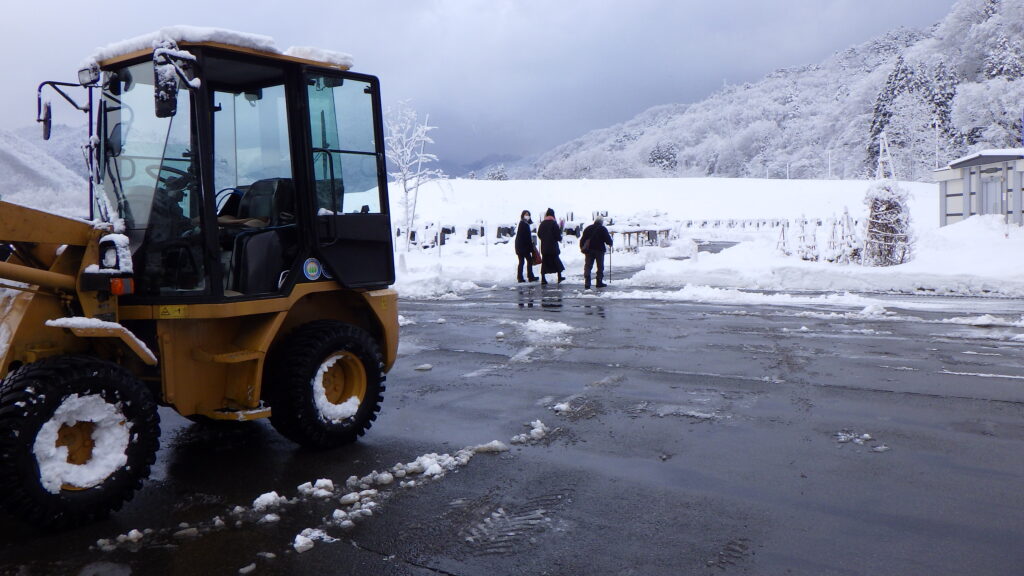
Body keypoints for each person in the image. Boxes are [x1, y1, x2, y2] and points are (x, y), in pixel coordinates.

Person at [579, 216, 613, 289]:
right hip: (599, 250)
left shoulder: (588, 228)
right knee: (600, 266)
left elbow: (582, 239)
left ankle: (587, 282)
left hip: (589, 250)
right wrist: (610, 243)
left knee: (588, 266)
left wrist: (582, 248)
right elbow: (608, 240)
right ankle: (599, 282)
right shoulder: (603, 229)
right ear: (601, 222)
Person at [537, 208, 565, 285]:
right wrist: (560, 238)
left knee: (544, 263)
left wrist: (544, 239)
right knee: (556, 261)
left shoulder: (542, 224)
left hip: (544, 247)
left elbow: (539, 234)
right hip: (553, 247)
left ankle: (543, 279)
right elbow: (557, 235)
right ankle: (559, 277)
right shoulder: (554, 223)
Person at [514, 210, 538, 283]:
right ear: (523, 215)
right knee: (528, 261)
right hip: (523, 247)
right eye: (526, 214)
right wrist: (531, 248)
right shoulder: (524, 224)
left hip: (520, 247)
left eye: (528, 215)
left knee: (522, 262)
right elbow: (527, 238)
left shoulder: (522, 223)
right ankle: (530, 277)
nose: (527, 216)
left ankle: (520, 277)